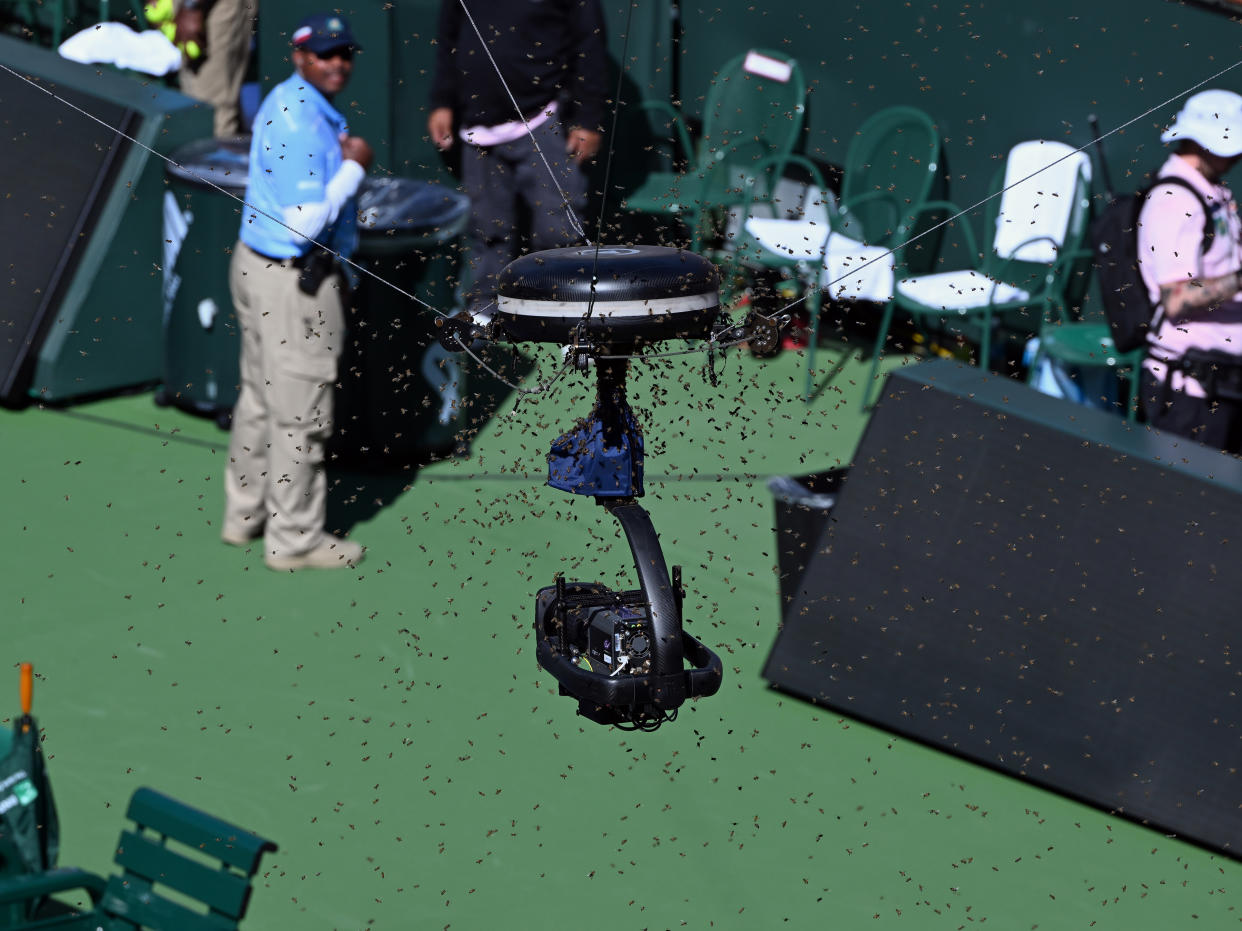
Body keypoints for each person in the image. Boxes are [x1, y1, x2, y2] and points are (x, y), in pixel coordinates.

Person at [223, 13, 371, 570]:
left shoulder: (290, 101)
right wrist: (354, 168)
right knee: (299, 417)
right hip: (292, 283)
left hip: (255, 267)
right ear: (300, 55)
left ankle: (246, 515)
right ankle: (295, 540)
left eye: (345, 53)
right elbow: (303, 224)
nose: (338, 64)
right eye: (327, 54)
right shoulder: (298, 122)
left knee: (260, 398)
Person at [426, 0, 608, 320]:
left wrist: (589, 117)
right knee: (485, 229)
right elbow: (448, 37)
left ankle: (568, 317)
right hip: (477, 126)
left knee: (558, 229)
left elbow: (589, 41)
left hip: (544, 117)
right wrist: (442, 101)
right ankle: (484, 312)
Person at [1139, 88, 1242, 453]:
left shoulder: (1211, 191)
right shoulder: (1175, 200)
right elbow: (1176, 299)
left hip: (1222, 382)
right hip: (1190, 394)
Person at [173, 0, 257, 138]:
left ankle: (218, 158)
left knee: (209, 112)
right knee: (196, 102)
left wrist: (191, 6)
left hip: (208, 7)